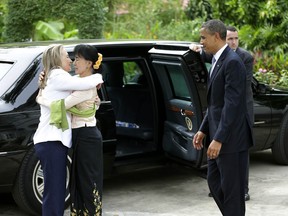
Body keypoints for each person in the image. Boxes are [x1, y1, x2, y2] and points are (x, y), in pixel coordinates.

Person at [33, 44, 103, 216]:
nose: (71, 60)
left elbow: (83, 88)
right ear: (57, 59)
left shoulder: (60, 77)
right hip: (52, 140)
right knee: (56, 190)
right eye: (67, 56)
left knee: (76, 185)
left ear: (89, 63)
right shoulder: (57, 75)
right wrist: (98, 77)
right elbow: (82, 86)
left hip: (73, 137)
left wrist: (41, 97)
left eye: (76, 58)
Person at [192, 19, 253, 216]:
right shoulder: (218, 59)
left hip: (231, 140)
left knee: (233, 193)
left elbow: (232, 105)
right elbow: (215, 104)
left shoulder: (233, 62)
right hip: (217, 135)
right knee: (214, 182)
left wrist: (218, 139)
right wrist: (203, 129)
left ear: (216, 37)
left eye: (203, 37)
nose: (201, 42)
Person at [226, 26, 254, 201]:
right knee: (224, 149)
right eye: (230, 39)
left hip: (243, 110)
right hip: (226, 109)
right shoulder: (218, 55)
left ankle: (243, 189)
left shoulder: (245, 57)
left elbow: (241, 87)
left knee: (242, 151)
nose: (234, 42)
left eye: (236, 38)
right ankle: (224, 185)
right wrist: (196, 48)